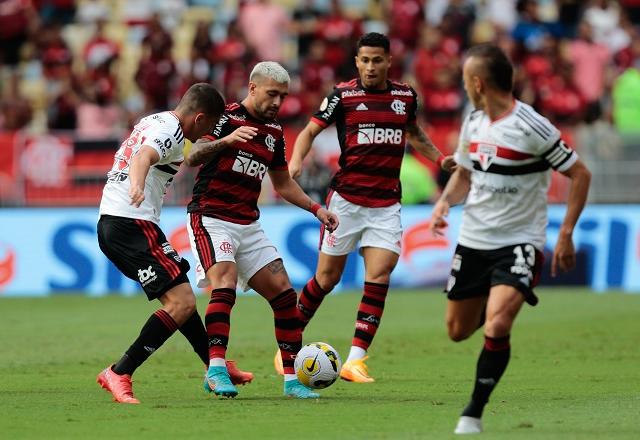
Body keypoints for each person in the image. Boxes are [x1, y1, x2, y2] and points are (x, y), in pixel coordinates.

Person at [428, 44, 591, 434]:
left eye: (466, 80)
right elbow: (465, 173)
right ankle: (497, 292)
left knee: (497, 326)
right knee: (456, 331)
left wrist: (565, 232)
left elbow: (580, 174)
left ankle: (473, 412)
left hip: (520, 240)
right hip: (474, 239)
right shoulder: (473, 121)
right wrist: (444, 204)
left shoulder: (533, 127)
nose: (465, 87)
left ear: (478, 83)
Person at [282, 32, 455, 382]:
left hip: (386, 203)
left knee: (379, 277)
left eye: (378, 60)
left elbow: (415, 134)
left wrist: (440, 159)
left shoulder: (405, 96)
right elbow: (309, 131)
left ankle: (355, 360)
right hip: (345, 201)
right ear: (357, 62)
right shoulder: (343, 96)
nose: (371, 66)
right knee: (327, 278)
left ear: (389, 61)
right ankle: (286, 345)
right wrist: (296, 160)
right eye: (365, 60)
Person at [184, 61, 339, 399]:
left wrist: (317, 209)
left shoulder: (275, 132)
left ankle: (293, 379)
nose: (277, 103)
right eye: (272, 94)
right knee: (223, 283)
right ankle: (215, 369)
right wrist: (227, 141)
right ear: (253, 88)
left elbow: (282, 184)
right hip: (211, 217)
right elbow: (193, 155)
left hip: (247, 223)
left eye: (282, 97)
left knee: (285, 294)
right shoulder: (226, 118)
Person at [95, 83, 253, 404]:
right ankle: (120, 371)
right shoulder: (172, 132)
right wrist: (138, 186)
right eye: (209, 125)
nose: (208, 132)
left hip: (118, 221)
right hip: (130, 222)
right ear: (199, 118)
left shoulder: (155, 119)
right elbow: (143, 157)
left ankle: (215, 365)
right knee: (181, 302)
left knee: (180, 296)